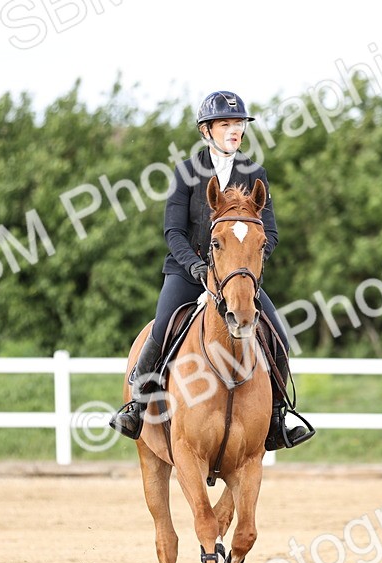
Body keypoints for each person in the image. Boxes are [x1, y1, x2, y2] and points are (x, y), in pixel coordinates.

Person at [108, 90, 313, 450]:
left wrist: (246, 265)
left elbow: (272, 232)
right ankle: (136, 408)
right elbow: (173, 231)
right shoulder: (187, 172)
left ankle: (278, 419)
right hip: (188, 274)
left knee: (279, 338)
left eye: (239, 125)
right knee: (160, 329)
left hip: (237, 277)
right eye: (226, 124)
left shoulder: (255, 173)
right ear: (206, 130)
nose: (235, 131)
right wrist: (197, 267)